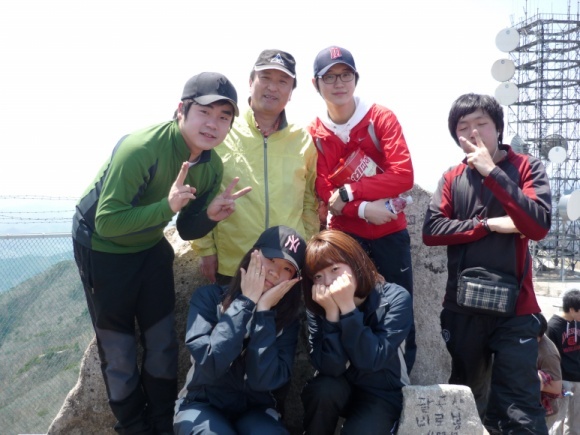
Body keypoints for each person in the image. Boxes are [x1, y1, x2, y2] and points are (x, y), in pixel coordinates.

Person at [72, 72, 251, 435]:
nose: (213, 124)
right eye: (205, 112)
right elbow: (108, 221)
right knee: (118, 347)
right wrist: (166, 207)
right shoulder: (141, 148)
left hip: (149, 244)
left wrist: (209, 216)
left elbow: (186, 229)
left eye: (224, 117)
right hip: (102, 247)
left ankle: (162, 420)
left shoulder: (210, 166)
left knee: (161, 339)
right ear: (181, 110)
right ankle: (132, 426)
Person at [422, 93, 552, 434]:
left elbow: (537, 225)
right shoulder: (452, 177)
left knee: (520, 408)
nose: (473, 132)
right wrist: (488, 225)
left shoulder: (526, 167)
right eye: (463, 127)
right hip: (462, 308)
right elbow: (432, 230)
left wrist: (492, 172)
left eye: (482, 123)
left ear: (499, 128)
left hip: (517, 311)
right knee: (464, 399)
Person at [308, 46, 416, 372]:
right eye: (329, 77)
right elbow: (324, 190)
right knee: (346, 305)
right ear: (316, 84)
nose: (338, 83)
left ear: (356, 79)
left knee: (397, 310)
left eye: (345, 75)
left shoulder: (380, 117)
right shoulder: (315, 132)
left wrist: (351, 192)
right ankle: (343, 378)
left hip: (389, 234)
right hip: (346, 238)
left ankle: (400, 384)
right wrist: (364, 209)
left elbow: (403, 175)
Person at [192, 49, 319, 285]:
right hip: (233, 264)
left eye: (282, 81)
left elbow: (310, 201)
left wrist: (308, 247)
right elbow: (199, 194)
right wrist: (205, 249)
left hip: (285, 267)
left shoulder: (302, 140)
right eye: (265, 78)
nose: (272, 87)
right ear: (250, 82)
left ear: (291, 92)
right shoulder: (222, 131)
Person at [174, 225, 306, 435]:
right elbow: (211, 362)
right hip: (201, 403)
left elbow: (263, 381)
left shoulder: (288, 321)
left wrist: (264, 312)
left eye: (287, 269)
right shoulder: (208, 298)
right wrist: (246, 302)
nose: (275, 271)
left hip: (258, 409)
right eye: (270, 259)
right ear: (253, 255)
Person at [300, 230, 412, 435]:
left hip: (382, 391)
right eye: (318, 276)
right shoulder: (319, 306)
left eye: (335, 269)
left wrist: (348, 309)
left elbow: (372, 360)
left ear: (355, 262)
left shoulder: (395, 298)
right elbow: (330, 368)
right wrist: (331, 315)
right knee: (322, 390)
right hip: (340, 385)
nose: (327, 281)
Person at [546, 288, 580, 435]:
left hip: (577, 378)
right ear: (572, 309)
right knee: (558, 419)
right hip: (562, 379)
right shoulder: (552, 327)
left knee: (576, 419)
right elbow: (549, 358)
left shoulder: (577, 322)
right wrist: (556, 382)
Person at [536, 313, 563, 430]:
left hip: (544, 413)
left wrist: (532, 381)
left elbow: (556, 388)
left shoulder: (548, 354)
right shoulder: (531, 343)